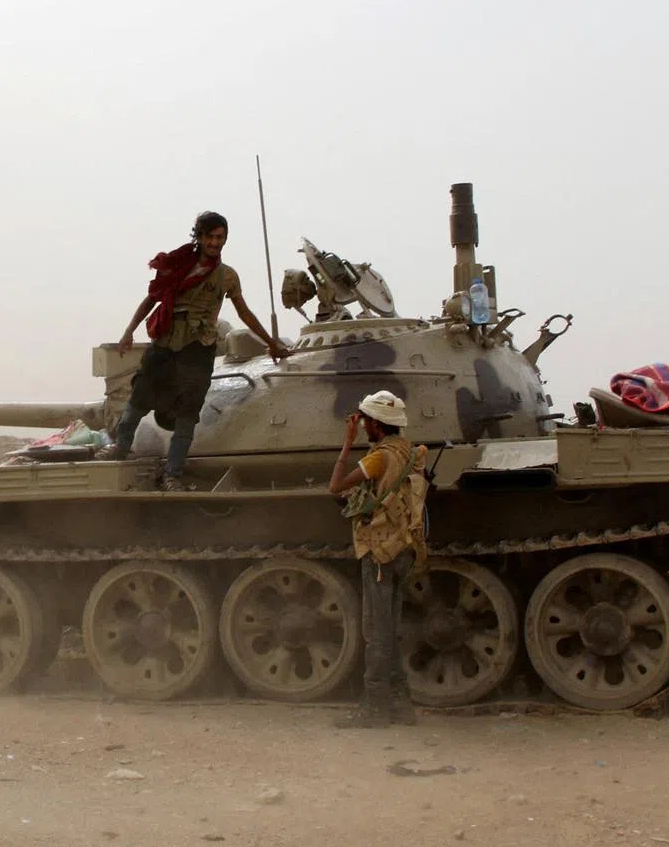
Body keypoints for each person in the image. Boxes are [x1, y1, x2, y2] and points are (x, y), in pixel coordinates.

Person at [104, 210, 290, 490]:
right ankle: (121, 446)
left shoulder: (227, 276)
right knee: (138, 400)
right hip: (166, 342)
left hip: (198, 348)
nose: (216, 242)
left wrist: (270, 342)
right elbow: (151, 300)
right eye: (211, 237)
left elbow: (244, 313)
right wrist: (129, 331)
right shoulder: (178, 266)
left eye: (221, 238)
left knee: (187, 416)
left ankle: (173, 474)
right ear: (200, 237)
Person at [328, 390, 429, 727]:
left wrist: (347, 442)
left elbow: (336, 485)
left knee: (377, 631)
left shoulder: (379, 457)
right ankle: (402, 707)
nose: (363, 426)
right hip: (403, 548)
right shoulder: (411, 451)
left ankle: (374, 708)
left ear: (376, 424)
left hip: (380, 550)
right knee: (392, 628)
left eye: (366, 421)